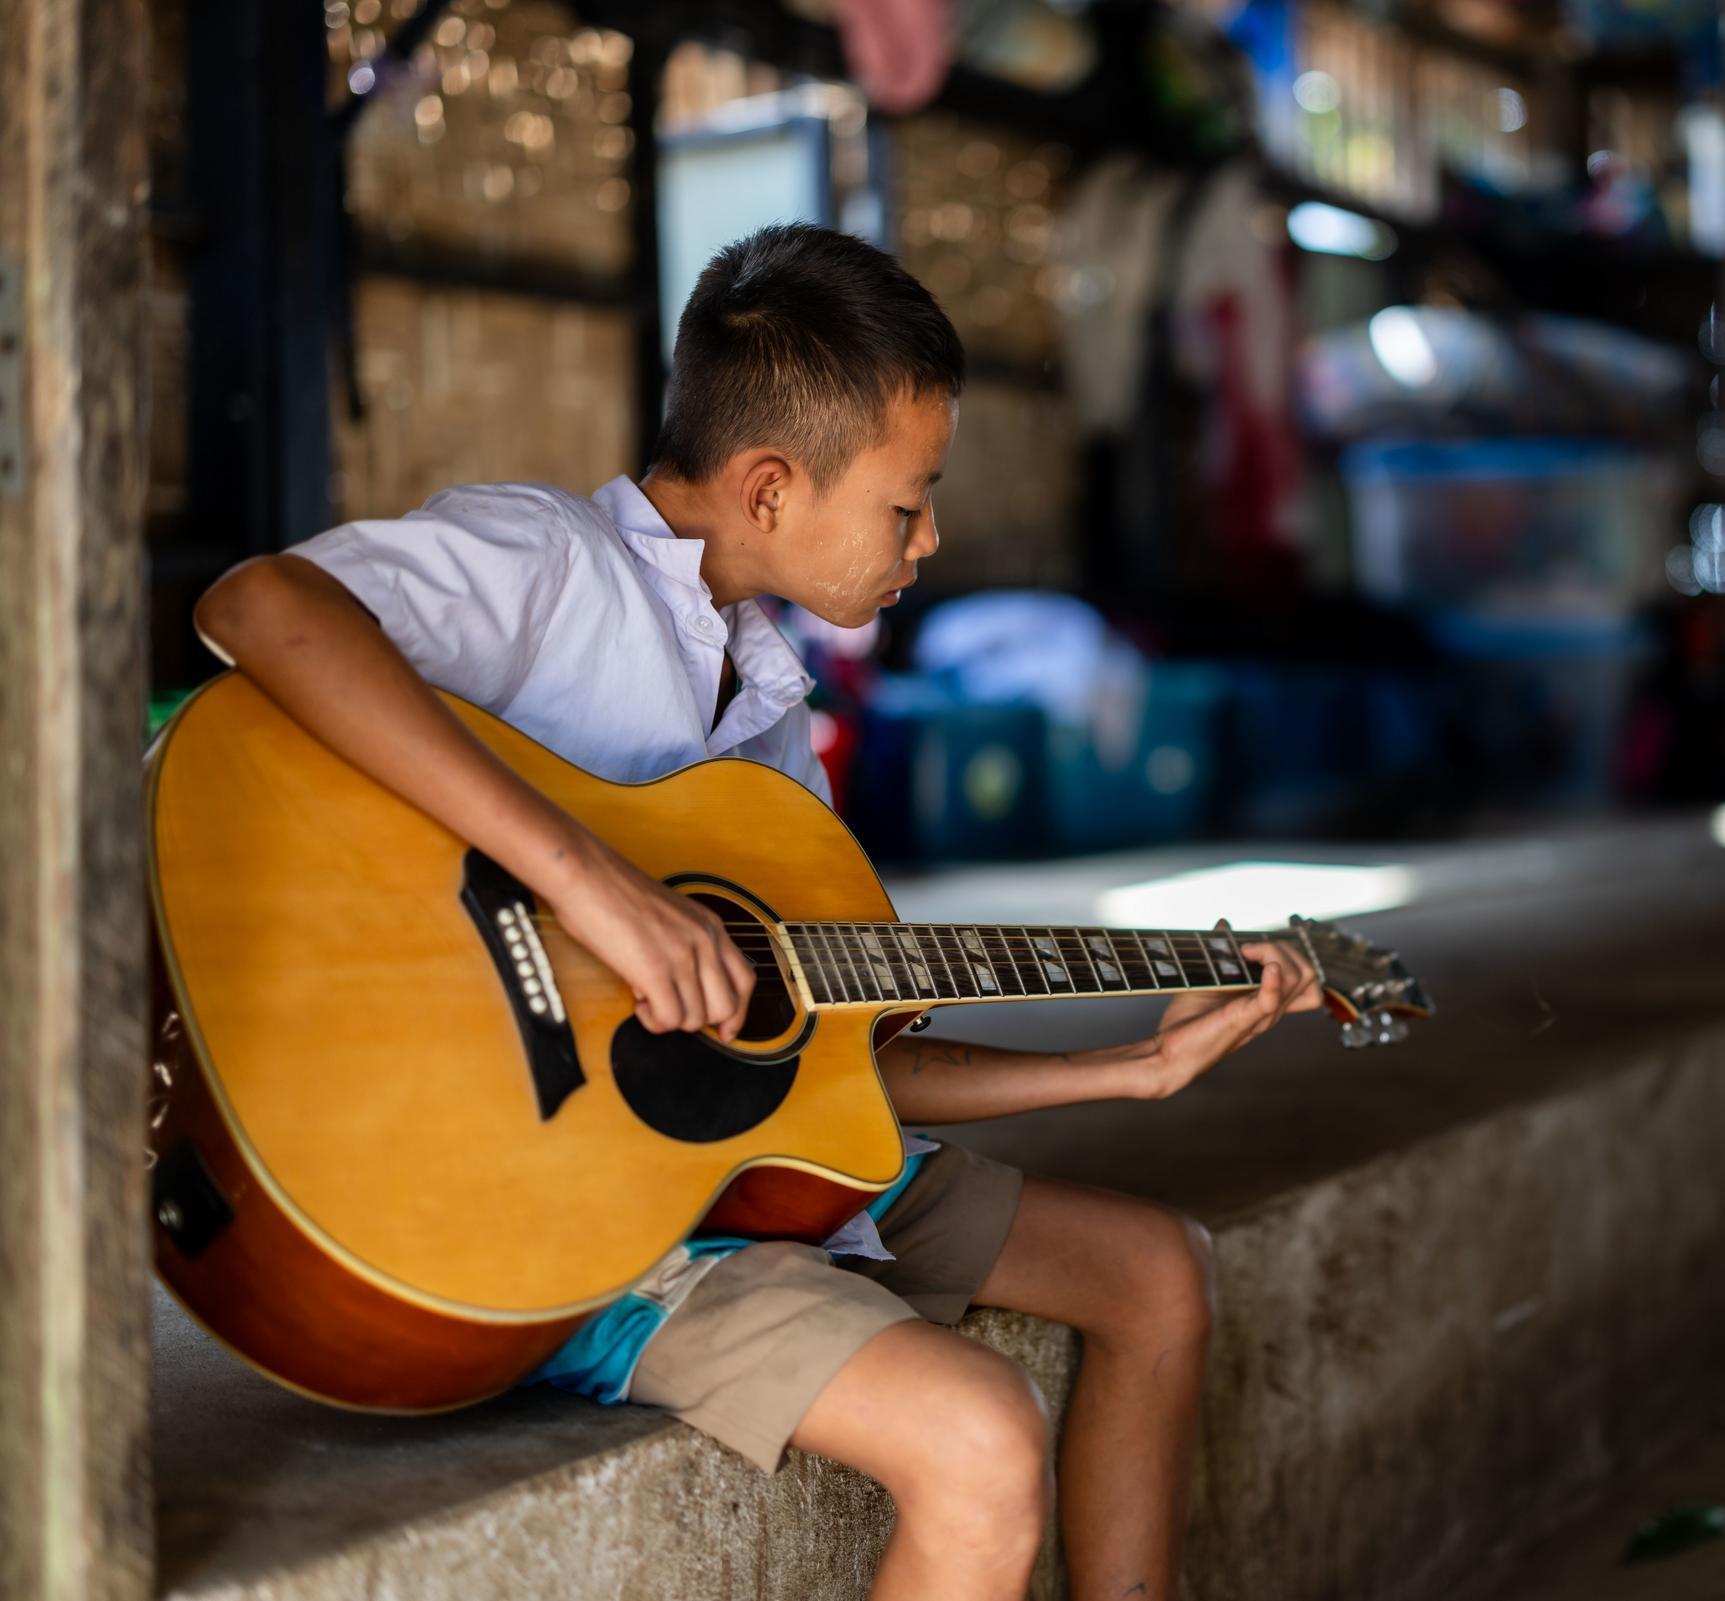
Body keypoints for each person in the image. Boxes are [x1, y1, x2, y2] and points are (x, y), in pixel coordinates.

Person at [192, 222, 1321, 1601]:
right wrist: (589, 879)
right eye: (908, 503)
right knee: (978, 1436)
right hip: (598, 1218)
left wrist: (1126, 1067)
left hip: (765, 1177)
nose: (931, 536)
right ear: (772, 488)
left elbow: (836, 1069)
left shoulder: (772, 714)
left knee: (1158, 1272)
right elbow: (263, 605)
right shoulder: (550, 562)